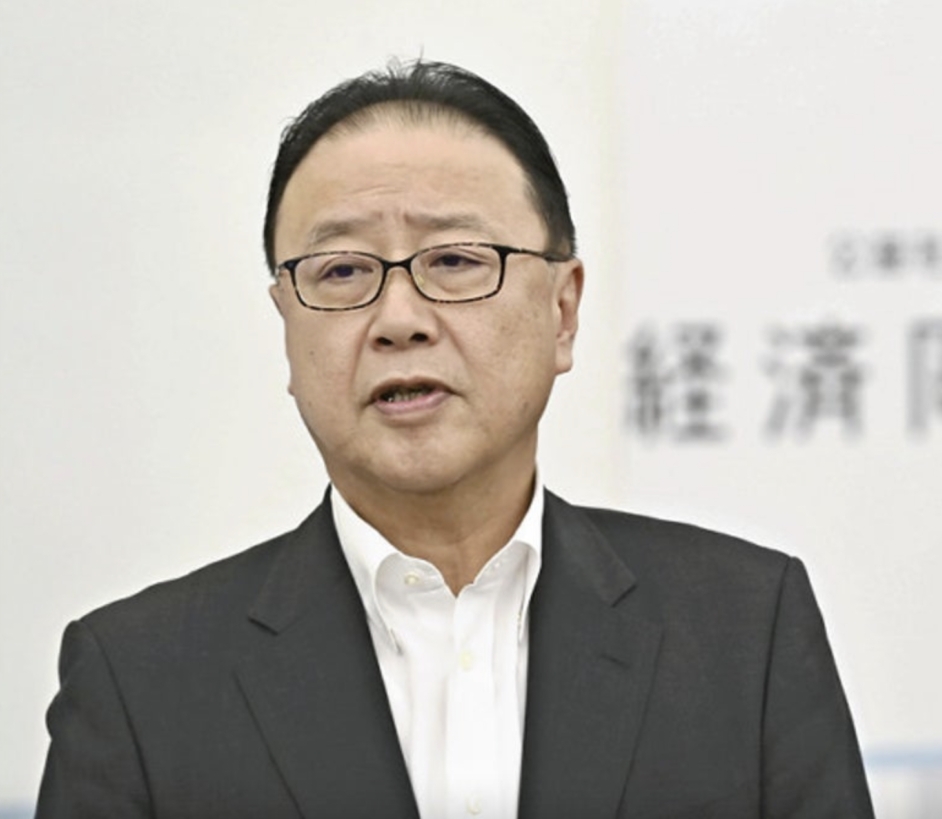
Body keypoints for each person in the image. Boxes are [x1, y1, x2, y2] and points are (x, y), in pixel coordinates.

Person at [35, 60, 873, 819]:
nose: (399, 319)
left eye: (456, 260)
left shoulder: (743, 630)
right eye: (342, 271)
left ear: (562, 311)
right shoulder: (139, 680)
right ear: (286, 325)